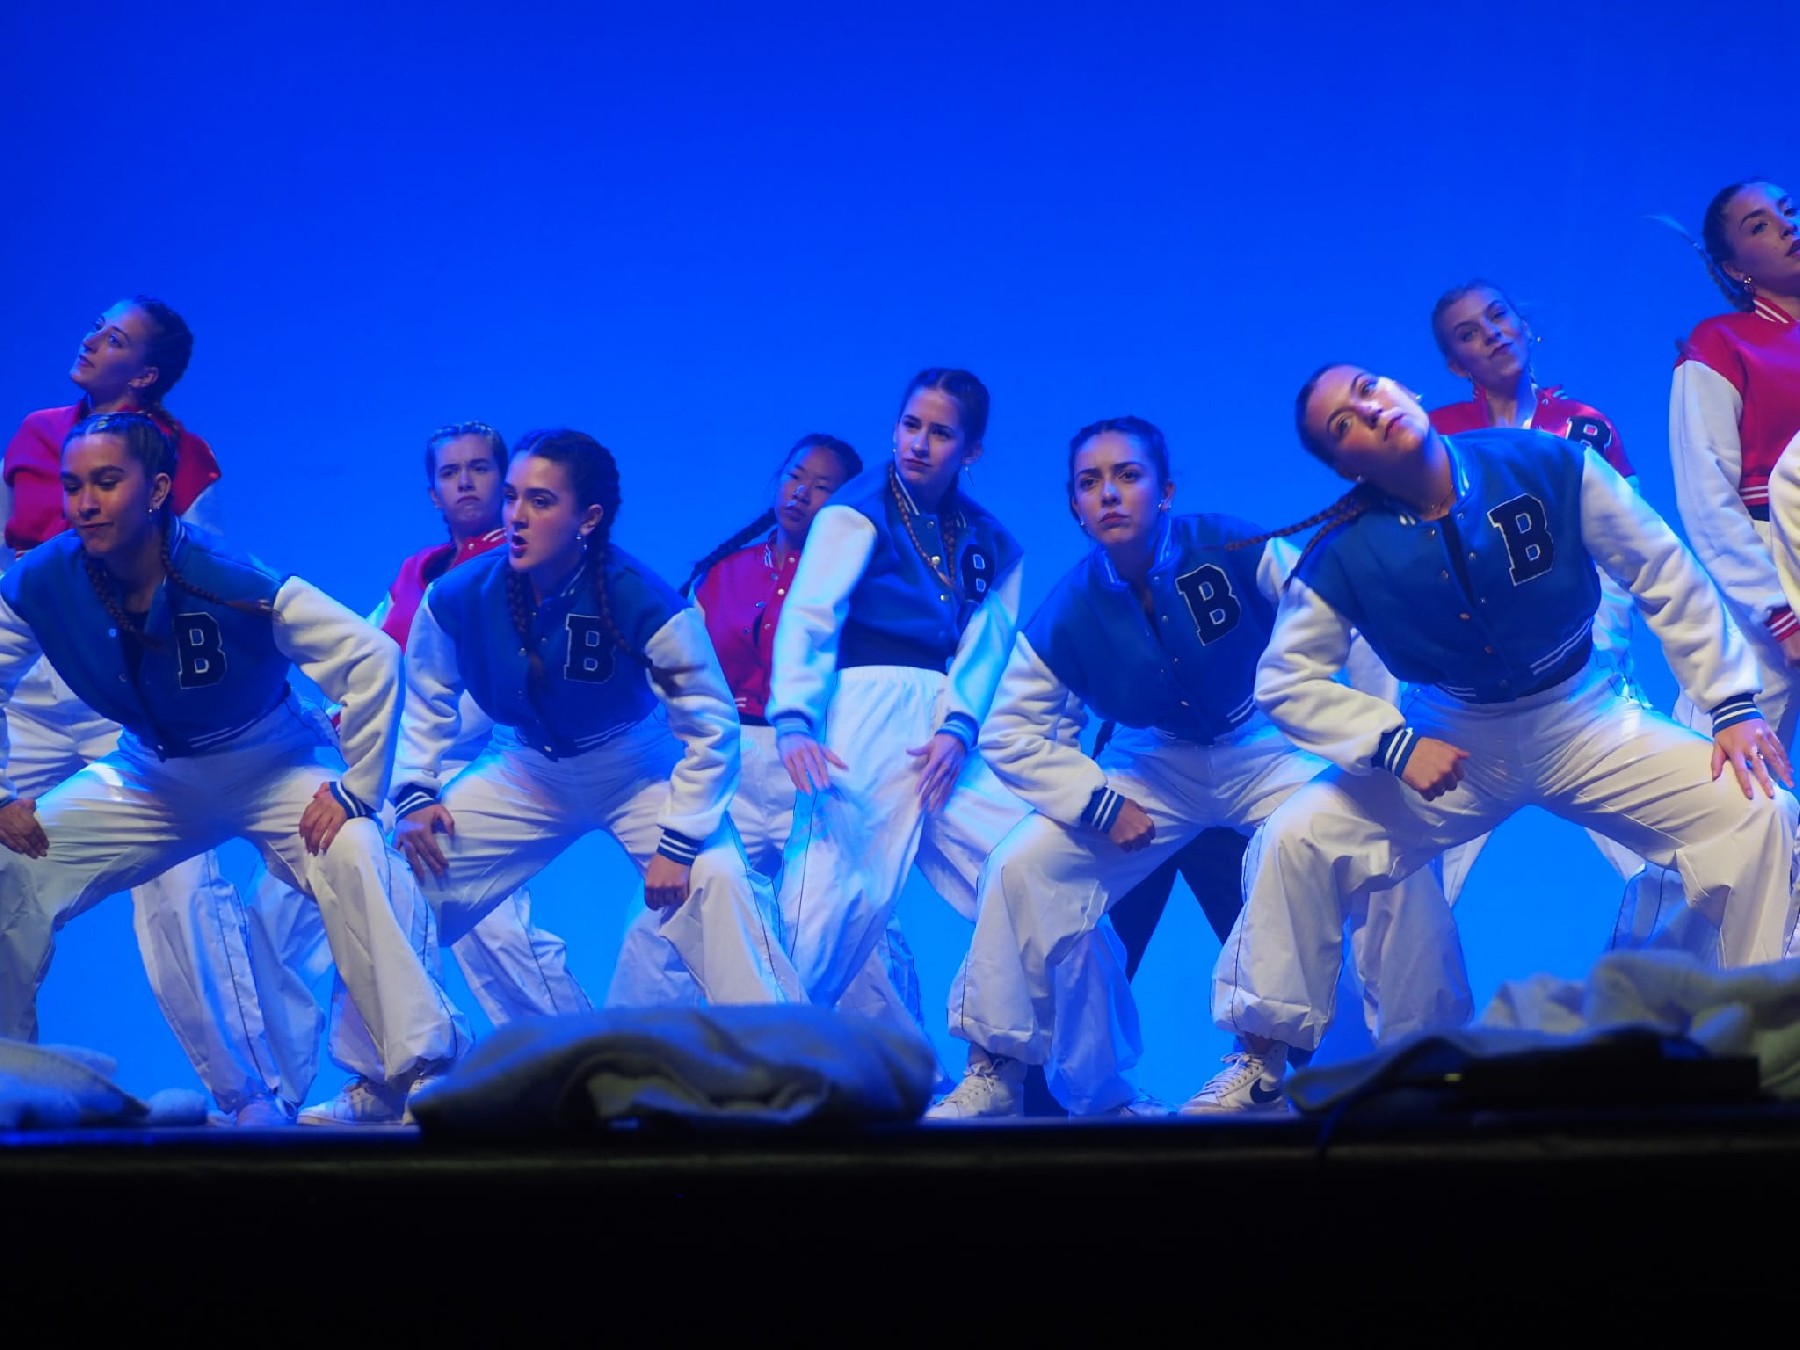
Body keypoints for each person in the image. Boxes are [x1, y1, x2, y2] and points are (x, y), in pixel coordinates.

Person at [1200, 364, 1796, 1114]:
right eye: (1343, 424)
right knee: (1296, 836)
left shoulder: (1547, 462)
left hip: (1584, 714)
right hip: (1456, 734)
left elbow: (1662, 569)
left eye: (1368, 388)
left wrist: (1732, 704)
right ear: (1346, 466)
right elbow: (1286, 680)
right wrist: (1392, 745)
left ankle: (1766, 1038)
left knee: (1759, 812)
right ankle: (1260, 1061)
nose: (1369, 410)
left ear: (1407, 391)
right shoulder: (1342, 552)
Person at [931, 416, 1469, 1118]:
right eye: (1090, 483)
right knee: (1020, 865)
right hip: (1152, 762)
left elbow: (1341, 614)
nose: (1109, 493)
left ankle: (1410, 1055)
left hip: (1262, 742)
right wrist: (1097, 803)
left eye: (1128, 475)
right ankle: (996, 1070)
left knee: (1386, 848)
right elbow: (1011, 732)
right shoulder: (1069, 611)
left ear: (1165, 491)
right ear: (1075, 506)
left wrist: (1376, 744)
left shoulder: (1231, 544)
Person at [0, 412, 467, 1112]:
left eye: (107, 482)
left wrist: (357, 791)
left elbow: (372, 657)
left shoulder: (228, 576)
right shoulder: (41, 582)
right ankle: (14, 1081)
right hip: (152, 772)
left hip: (268, 758)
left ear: (158, 490)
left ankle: (423, 1071)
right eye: (73, 487)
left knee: (354, 849)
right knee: (13, 866)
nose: (86, 503)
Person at [769, 370, 1137, 1111]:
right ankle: (761, 1082)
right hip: (862, 710)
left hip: (948, 728)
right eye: (910, 425)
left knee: (1048, 883)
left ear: (970, 450)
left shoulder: (992, 541)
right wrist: (795, 717)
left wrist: (958, 727)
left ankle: (1101, 1091)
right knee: (829, 905)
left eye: (940, 433)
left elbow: (986, 646)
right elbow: (811, 614)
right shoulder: (856, 511)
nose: (918, 443)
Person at [243, 422, 593, 1125]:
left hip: (459, 769)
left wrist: (396, 745)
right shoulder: (419, 572)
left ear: (505, 482)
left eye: (480, 469)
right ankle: (355, 1082)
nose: (465, 482)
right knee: (294, 914)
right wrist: (338, 718)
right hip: (376, 769)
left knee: (503, 943)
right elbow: (371, 651)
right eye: (450, 472)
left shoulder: (517, 568)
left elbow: (476, 694)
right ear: (432, 491)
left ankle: (589, 1073)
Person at [391, 428, 799, 1015]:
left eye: (541, 501)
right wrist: (416, 789)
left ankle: (784, 1055)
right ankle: (408, 1057)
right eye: (512, 497)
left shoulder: (643, 600)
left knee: (716, 879)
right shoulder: (458, 595)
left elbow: (711, 726)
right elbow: (426, 697)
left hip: (635, 767)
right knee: (397, 879)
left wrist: (680, 841)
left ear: (588, 518)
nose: (517, 517)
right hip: (526, 768)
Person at [2, 298, 282, 1124]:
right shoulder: (37, 433)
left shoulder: (185, 460)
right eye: (95, 327)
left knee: (181, 895)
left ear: (147, 374)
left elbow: (196, 583)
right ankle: (15, 1078)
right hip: (35, 688)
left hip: (124, 692)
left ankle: (251, 1095)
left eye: (115, 338)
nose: (91, 340)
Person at [604, 433, 929, 1028]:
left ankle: (898, 1066)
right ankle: (628, 1059)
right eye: (794, 476)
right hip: (730, 762)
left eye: (822, 486)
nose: (801, 493)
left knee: (856, 927)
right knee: (665, 915)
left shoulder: (865, 586)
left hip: (818, 763)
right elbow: (683, 674)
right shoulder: (721, 575)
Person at [1426, 280, 1646, 900]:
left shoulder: (1584, 428)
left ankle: (1677, 959)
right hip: (1470, 693)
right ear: (1455, 363)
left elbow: (1627, 549)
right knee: (1415, 871)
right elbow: (1411, 561)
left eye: (1498, 316)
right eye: (1469, 333)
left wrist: (1604, 643)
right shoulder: (1438, 438)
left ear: (1523, 324)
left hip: (1584, 673)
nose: (1492, 334)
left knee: (1658, 843)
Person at [1668, 180, 1800, 748]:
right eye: (1759, 226)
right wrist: (1776, 612)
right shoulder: (1721, 343)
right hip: (1767, 574)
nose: (1787, 226)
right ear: (1735, 268)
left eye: (1789, 210)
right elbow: (1707, 497)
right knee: (1733, 776)